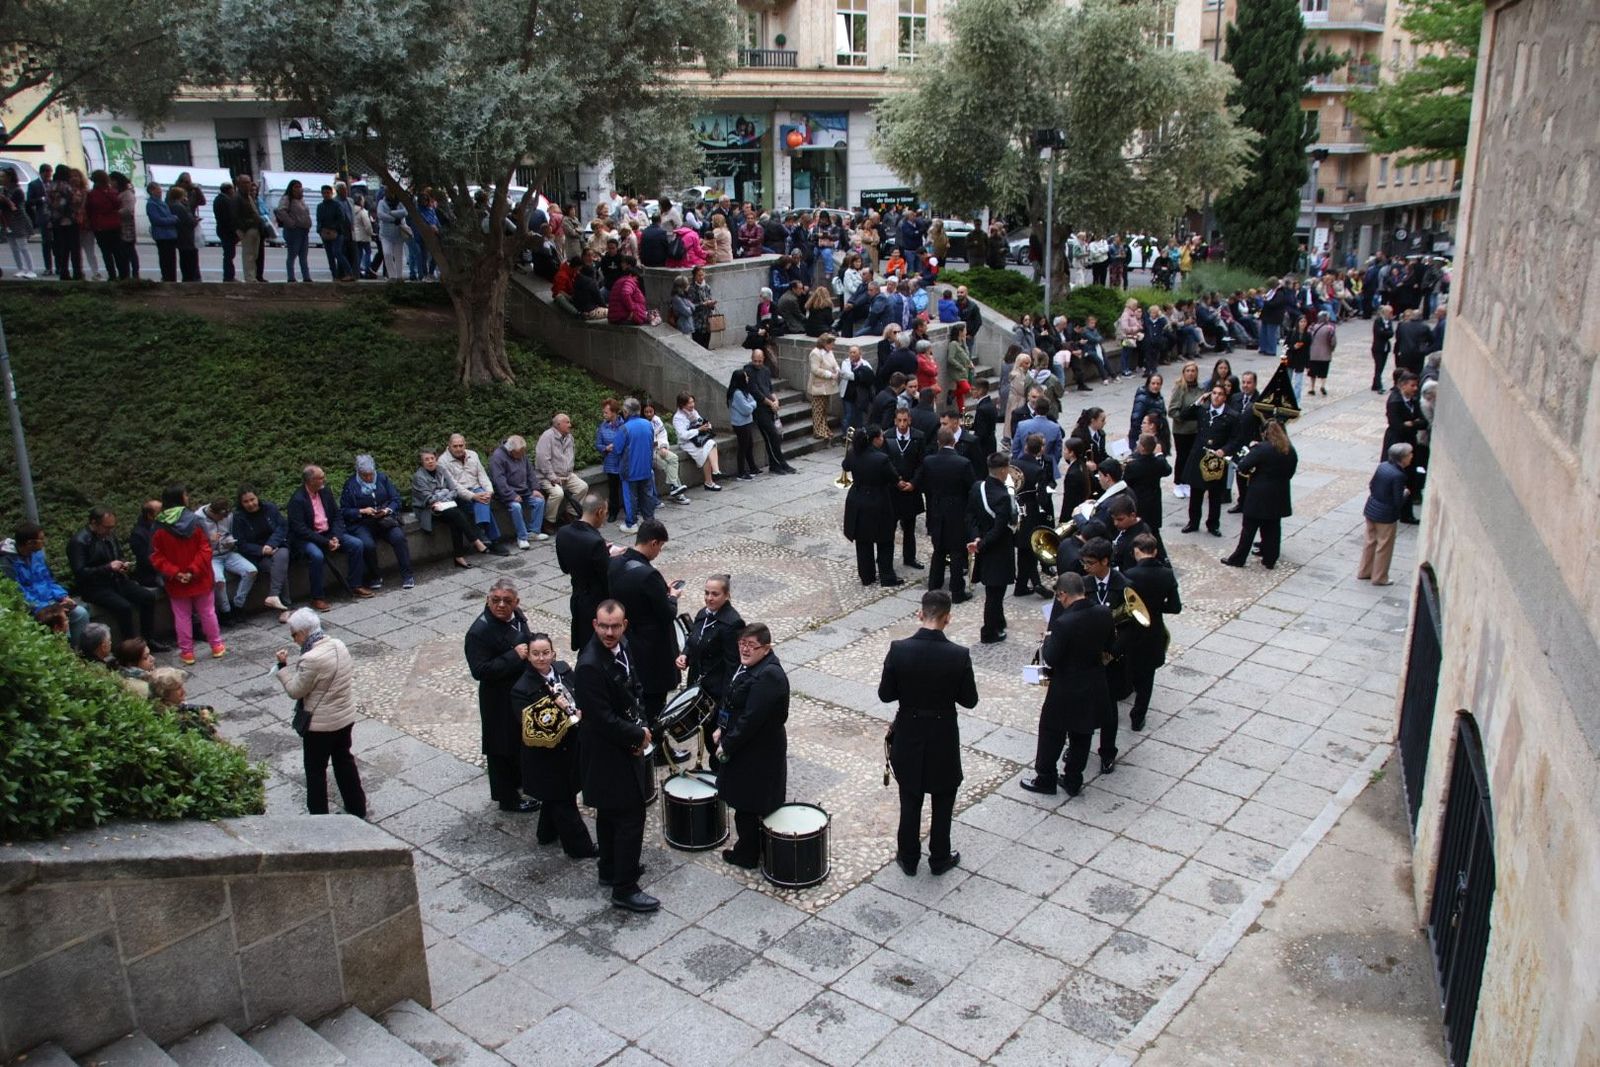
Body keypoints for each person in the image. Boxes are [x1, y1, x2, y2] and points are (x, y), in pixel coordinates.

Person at [879, 590, 978, 875]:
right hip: (943, 735)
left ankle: (908, 859)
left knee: (910, 798)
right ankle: (939, 858)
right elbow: (969, 700)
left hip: (909, 732)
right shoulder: (958, 655)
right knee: (943, 799)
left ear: (920, 614)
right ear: (948, 618)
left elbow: (886, 694)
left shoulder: (899, 649)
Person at [574, 599, 658, 912]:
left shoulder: (622, 646)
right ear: (595, 625)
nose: (610, 632)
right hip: (607, 754)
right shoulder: (590, 665)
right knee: (629, 818)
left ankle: (610, 870)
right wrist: (637, 735)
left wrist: (643, 723)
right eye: (604, 626)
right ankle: (625, 888)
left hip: (622, 745)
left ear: (624, 625)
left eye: (615, 626)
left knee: (610, 816)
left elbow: (635, 688)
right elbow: (600, 718)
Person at [1022, 573, 1114, 797]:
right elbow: (1110, 643)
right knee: (1082, 734)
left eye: (1059, 597)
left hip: (1065, 687)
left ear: (1063, 594)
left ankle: (1045, 778)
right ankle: (1073, 779)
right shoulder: (1104, 612)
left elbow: (1051, 658)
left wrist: (1049, 639)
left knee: (1051, 733)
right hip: (1093, 682)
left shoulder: (1064, 623)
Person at [510, 632, 598, 857]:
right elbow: (530, 724)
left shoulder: (563, 669)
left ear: (553, 653)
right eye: (536, 654)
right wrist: (558, 711)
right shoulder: (522, 688)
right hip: (545, 756)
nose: (541, 658)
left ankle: (546, 833)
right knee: (562, 800)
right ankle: (581, 848)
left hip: (570, 748)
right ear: (528, 656)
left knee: (558, 795)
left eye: (545, 653)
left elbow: (580, 692)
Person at [607, 519, 687, 760]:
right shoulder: (649, 575)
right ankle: (659, 750)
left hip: (630, 640)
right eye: (660, 546)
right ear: (653, 543)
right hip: (653, 647)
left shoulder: (616, 564)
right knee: (655, 701)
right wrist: (672, 596)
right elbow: (666, 613)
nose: (658, 551)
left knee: (639, 697)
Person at [275, 608, 366, 817]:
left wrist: (282, 669)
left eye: (294, 634)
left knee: (315, 772)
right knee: (344, 762)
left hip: (321, 727)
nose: (294, 639)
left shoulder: (311, 659)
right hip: (344, 718)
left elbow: (296, 690)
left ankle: (319, 818)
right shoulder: (339, 645)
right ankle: (357, 808)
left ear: (304, 633)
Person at [713, 623, 790, 868]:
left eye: (751, 645)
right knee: (747, 800)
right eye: (742, 644)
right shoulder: (749, 666)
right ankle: (752, 847)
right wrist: (721, 727)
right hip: (748, 743)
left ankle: (747, 854)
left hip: (757, 750)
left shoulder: (768, 675)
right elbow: (734, 702)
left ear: (766, 649)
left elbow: (751, 718)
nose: (745, 649)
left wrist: (728, 743)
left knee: (748, 803)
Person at [464, 579, 540, 813]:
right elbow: (480, 670)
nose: (500, 605)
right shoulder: (480, 631)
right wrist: (513, 656)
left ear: (516, 602)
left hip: (519, 692)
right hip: (497, 698)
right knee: (501, 748)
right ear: (488, 600)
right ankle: (507, 799)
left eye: (507, 601)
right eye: (495, 600)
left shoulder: (516, 615)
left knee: (518, 741)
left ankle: (521, 782)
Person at [67, 507, 166, 649]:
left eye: (112, 527)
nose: (110, 531)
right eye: (106, 527)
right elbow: (80, 572)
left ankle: (148, 639)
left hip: (116, 579)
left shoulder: (109, 536)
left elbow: (117, 555)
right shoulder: (79, 542)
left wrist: (122, 564)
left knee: (147, 597)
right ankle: (130, 647)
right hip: (95, 586)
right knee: (123, 607)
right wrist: (108, 567)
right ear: (94, 523)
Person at [150, 486, 226, 666]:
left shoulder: (158, 526)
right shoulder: (195, 520)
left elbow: (156, 555)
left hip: (176, 581)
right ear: (180, 498)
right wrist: (193, 570)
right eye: (185, 494)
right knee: (207, 612)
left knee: (182, 616)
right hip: (200, 576)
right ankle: (216, 646)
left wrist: (176, 573)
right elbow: (205, 548)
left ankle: (187, 653)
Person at [677, 574, 744, 771]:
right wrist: (685, 656)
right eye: (706, 593)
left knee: (715, 740)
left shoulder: (732, 623)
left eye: (715, 594)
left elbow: (734, 666)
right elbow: (694, 640)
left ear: (727, 596)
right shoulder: (703, 614)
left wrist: (725, 701)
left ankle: (722, 778)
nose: (709, 598)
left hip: (716, 692)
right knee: (706, 734)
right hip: (699, 688)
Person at [1119, 534, 1180, 732]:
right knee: (1147, 677)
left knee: (1128, 667)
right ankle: (1138, 717)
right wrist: (1155, 608)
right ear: (1154, 551)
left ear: (1136, 551)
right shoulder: (1167, 575)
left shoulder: (1129, 575)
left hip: (1131, 632)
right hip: (1154, 632)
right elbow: (1175, 607)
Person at [1222, 420, 1298, 570]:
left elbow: (1243, 466)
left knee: (1249, 528)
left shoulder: (1261, 449)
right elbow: (1291, 472)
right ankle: (1270, 559)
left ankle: (1238, 558)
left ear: (1265, 433)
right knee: (1273, 528)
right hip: (1279, 494)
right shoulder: (1289, 449)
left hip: (1259, 494)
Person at [916, 428, 978, 602]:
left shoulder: (929, 461)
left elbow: (923, 483)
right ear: (954, 442)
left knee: (939, 550)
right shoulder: (963, 463)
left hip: (936, 510)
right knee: (957, 552)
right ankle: (957, 591)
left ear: (938, 443)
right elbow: (972, 488)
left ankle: (933, 587)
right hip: (957, 512)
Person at [1, 523, 90, 643]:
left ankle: (80, 652)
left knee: (81, 613)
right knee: (60, 622)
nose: (44, 542)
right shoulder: (7, 563)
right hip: (34, 609)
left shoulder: (37, 555)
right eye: (41, 539)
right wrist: (52, 608)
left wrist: (63, 596)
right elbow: (19, 595)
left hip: (51, 603)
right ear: (30, 543)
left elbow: (48, 580)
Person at [412, 446, 498, 567]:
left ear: (436, 459)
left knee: (455, 519)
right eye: (427, 459)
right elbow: (429, 498)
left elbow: (454, 489)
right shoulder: (419, 477)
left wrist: (443, 495)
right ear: (422, 462)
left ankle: (459, 556)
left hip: (446, 505)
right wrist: (444, 493)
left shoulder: (441, 470)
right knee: (456, 514)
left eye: (432, 458)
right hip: (428, 510)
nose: (430, 461)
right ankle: (475, 540)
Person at [340, 455, 415, 591]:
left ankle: (407, 574)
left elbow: (396, 499)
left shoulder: (382, 478)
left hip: (384, 519)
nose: (369, 478)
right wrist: (362, 511)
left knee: (398, 537)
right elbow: (344, 510)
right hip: (362, 522)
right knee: (367, 545)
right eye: (365, 475)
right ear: (358, 472)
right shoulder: (350, 485)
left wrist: (387, 510)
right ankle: (375, 575)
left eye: (371, 474)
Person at [840, 423, 901, 588]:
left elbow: (845, 465)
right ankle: (887, 576)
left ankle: (867, 576)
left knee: (863, 542)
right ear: (875, 440)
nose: (883, 439)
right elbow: (894, 478)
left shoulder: (854, 453)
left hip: (857, 499)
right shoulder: (881, 459)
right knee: (885, 540)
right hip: (878, 501)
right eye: (881, 436)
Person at [968, 453, 1018, 644]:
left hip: (983, 545)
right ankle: (989, 631)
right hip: (998, 549)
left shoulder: (977, 487)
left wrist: (976, 538)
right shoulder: (1003, 497)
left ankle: (998, 621)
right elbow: (999, 529)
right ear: (1004, 470)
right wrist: (980, 543)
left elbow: (970, 516)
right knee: (995, 593)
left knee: (993, 590)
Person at [556, 495, 615, 654]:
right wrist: (609, 557)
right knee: (597, 647)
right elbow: (606, 576)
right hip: (596, 601)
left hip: (577, 597)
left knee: (584, 643)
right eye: (606, 513)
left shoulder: (563, 532)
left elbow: (565, 567)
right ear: (600, 512)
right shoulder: (595, 542)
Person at [1179, 384, 1237, 536]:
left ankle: (1213, 524)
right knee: (1196, 491)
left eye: (1220, 394)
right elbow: (1183, 415)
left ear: (1225, 397)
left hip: (1216, 459)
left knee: (1214, 494)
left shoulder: (1231, 416)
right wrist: (1198, 401)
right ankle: (1193, 522)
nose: (1216, 397)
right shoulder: (1203, 410)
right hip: (1199, 455)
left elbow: (1235, 439)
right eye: (1214, 393)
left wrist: (1224, 450)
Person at [232, 487, 293, 620]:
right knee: (277, 569)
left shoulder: (269, 508)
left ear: (257, 498)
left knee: (282, 556)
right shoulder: (238, 518)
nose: (250, 504)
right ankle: (284, 606)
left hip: (278, 545)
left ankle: (276, 598)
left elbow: (282, 526)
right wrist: (262, 550)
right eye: (246, 501)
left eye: (252, 499)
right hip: (259, 553)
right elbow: (241, 543)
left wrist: (271, 544)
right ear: (241, 503)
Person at [442, 434, 510, 551]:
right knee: (483, 503)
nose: (458, 448)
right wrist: (473, 496)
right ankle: (493, 540)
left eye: (461, 445)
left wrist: (489, 491)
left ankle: (481, 531)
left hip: (478, 489)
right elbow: (454, 486)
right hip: (460, 495)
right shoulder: (443, 461)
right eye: (455, 446)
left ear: (465, 444)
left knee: (484, 499)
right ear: (449, 446)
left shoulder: (473, 455)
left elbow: (482, 475)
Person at [1358, 443, 1412, 587]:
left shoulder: (1382, 466)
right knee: (1384, 546)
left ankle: (1364, 571)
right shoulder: (1399, 475)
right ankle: (1380, 577)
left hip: (1371, 508)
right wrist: (1405, 493)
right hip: (1386, 515)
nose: (1411, 457)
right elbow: (1397, 500)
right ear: (1403, 457)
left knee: (1370, 541)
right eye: (1410, 454)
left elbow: (1371, 485)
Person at [198, 498, 258, 625]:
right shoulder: (198, 518)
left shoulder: (228, 516)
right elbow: (194, 544)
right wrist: (210, 541)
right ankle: (226, 611)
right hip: (211, 556)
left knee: (251, 571)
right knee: (219, 580)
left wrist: (229, 541)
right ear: (213, 513)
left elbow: (231, 532)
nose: (222, 519)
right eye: (220, 517)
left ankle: (238, 605)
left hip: (228, 552)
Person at [884, 407, 927, 572]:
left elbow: (921, 463)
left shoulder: (918, 436)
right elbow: (886, 463)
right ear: (895, 421)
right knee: (889, 527)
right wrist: (896, 481)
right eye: (899, 420)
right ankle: (886, 559)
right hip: (893, 490)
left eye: (905, 420)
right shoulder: (888, 436)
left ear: (909, 420)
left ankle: (910, 557)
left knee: (909, 527)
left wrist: (914, 483)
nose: (902, 424)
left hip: (911, 489)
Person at [744, 348, 797, 474]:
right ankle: (778, 463)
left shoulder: (765, 370)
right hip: (759, 409)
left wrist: (776, 400)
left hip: (770, 407)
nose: (757, 363)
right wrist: (771, 402)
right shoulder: (748, 371)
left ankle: (779, 463)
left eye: (760, 361)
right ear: (752, 359)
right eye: (755, 361)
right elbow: (755, 392)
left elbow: (770, 388)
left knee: (776, 436)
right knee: (771, 435)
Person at [490, 435, 550, 548]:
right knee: (516, 507)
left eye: (523, 452)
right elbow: (499, 481)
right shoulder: (497, 457)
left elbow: (530, 473)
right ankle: (522, 537)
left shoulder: (521, 453)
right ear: (510, 450)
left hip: (524, 490)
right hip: (506, 494)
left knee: (539, 501)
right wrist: (511, 495)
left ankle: (533, 533)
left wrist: (535, 489)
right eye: (518, 453)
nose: (521, 456)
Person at [616, 397, 659, 533]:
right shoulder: (648, 424)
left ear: (626, 411)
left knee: (631, 498)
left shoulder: (624, 428)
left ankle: (631, 523)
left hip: (630, 470)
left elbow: (617, 448)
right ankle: (649, 521)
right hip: (646, 468)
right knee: (647, 495)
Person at [274, 179, 313, 282]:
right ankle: (291, 277)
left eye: (300, 187)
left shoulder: (301, 200)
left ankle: (306, 276)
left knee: (303, 255)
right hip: (293, 231)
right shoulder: (287, 199)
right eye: (296, 187)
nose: (298, 189)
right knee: (292, 254)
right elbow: (281, 211)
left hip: (304, 230)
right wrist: (291, 223)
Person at [595, 398, 626, 521]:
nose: (604, 415)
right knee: (613, 489)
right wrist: (605, 448)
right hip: (610, 463)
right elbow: (598, 444)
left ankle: (632, 509)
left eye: (606, 412)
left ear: (614, 412)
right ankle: (613, 511)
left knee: (627, 487)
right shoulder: (602, 427)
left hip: (623, 462)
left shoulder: (624, 425)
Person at [726, 369, 760, 481]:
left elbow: (753, 401)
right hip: (740, 424)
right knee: (743, 447)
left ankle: (752, 468)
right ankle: (741, 472)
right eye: (745, 377)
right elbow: (747, 409)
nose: (747, 378)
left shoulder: (743, 391)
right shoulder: (737, 394)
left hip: (746, 422)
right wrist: (752, 405)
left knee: (749, 445)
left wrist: (751, 404)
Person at [806, 333, 841, 442]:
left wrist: (837, 370)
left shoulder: (829, 352)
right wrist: (830, 374)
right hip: (818, 386)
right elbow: (815, 370)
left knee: (824, 409)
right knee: (818, 409)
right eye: (831, 344)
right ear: (825, 343)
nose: (832, 346)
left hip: (827, 386)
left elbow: (834, 363)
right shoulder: (815, 353)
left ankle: (824, 428)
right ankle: (818, 431)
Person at [145, 182, 178, 281]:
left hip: (171, 234)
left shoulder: (162, 203)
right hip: (162, 235)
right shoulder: (151, 204)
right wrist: (172, 219)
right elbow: (157, 220)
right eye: (158, 190)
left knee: (172, 259)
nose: (160, 192)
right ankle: (167, 277)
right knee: (165, 258)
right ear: (152, 191)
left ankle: (172, 278)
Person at [167, 186, 200, 282]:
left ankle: (189, 277)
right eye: (184, 195)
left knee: (187, 258)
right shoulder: (179, 207)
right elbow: (188, 221)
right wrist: (195, 221)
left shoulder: (174, 205)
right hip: (185, 236)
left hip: (183, 235)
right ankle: (189, 279)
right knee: (189, 260)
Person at [1306, 311, 1336, 397]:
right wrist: (1331, 349)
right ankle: (1322, 386)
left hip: (1313, 354)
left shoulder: (1312, 327)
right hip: (1325, 354)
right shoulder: (1330, 328)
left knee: (1312, 373)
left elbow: (1308, 339)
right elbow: (1333, 342)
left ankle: (1312, 388)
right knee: (1324, 372)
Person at [1371, 305, 1396, 392]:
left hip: (1385, 348)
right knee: (1378, 366)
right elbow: (1379, 333)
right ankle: (1379, 385)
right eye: (1390, 312)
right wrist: (1386, 332)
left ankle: (1375, 384)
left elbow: (1391, 333)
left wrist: (1385, 332)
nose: (1391, 314)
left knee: (1381, 367)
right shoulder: (1378, 321)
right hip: (1378, 347)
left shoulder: (1389, 322)